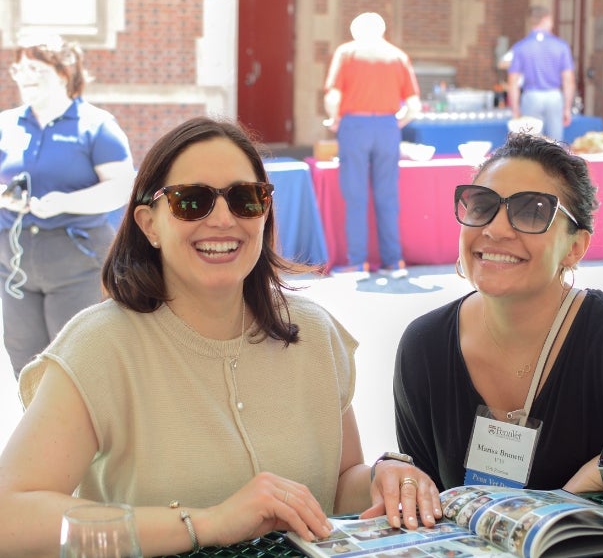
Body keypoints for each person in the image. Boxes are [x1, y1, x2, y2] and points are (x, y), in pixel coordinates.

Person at [0, 116, 441, 556]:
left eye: (245, 199)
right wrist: (209, 523)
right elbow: (12, 518)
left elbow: (339, 484)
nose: (223, 219)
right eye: (191, 201)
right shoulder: (100, 347)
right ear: (149, 224)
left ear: (264, 212)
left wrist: (381, 479)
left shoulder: (314, 333)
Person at [394, 132, 603, 506]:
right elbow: (425, 505)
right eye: (481, 205)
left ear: (575, 247)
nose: (496, 229)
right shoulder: (424, 347)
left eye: (532, 210)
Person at [0, 33, 135, 378]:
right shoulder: (6, 125)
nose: (24, 75)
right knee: (26, 363)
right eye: (20, 68)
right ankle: (40, 431)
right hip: (14, 265)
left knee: (77, 361)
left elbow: (121, 188)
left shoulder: (96, 126)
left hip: (78, 263)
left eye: (35, 68)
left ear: (63, 72)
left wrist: (65, 202)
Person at [324, 12, 422, 279]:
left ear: (356, 31)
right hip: (388, 127)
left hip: (354, 125)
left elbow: (334, 96)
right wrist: (395, 124)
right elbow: (413, 106)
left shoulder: (347, 53)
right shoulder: (398, 56)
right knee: (387, 195)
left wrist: (335, 120)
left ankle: (357, 262)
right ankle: (394, 261)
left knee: (355, 194)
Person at [507, 6, 576, 141]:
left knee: (531, 144)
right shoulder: (561, 46)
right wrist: (567, 107)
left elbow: (512, 82)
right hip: (554, 96)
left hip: (531, 96)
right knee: (555, 144)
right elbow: (568, 80)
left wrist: (515, 109)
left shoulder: (520, 47)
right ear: (546, 19)